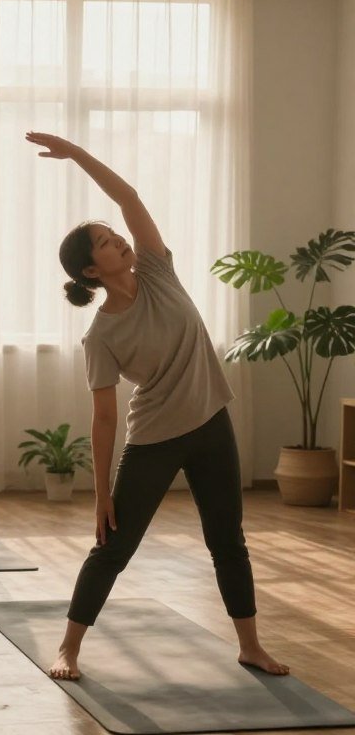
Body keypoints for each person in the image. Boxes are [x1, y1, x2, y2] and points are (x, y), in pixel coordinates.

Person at [25, 131, 289, 679]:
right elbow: (102, 418)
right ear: (91, 271)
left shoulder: (157, 271)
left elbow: (131, 200)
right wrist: (99, 493)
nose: (118, 238)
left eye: (113, 234)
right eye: (104, 241)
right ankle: (68, 649)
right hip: (153, 439)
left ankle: (250, 645)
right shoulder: (100, 335)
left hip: (211, 422)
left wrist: (77, 155)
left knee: (227, 538)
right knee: (113, 547)